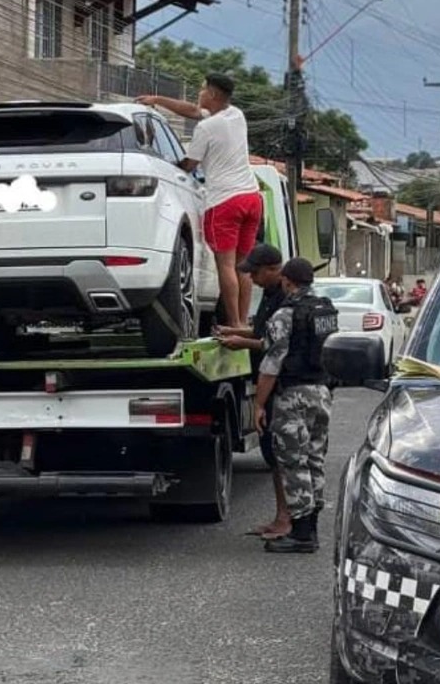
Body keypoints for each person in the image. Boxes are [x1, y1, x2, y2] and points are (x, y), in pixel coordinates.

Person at [136, 73, 262, 329]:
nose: (199, 94)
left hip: (224, 201)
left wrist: (164, 165)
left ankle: (234, 323)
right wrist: (157, 99)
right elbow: (193, 111)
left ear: (213, 95)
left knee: (225, 265)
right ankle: (243, 322)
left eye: (203, 90)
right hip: (251, 197)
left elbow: (189, 165)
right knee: (243, 265)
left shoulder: (206, 128)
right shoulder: (236, 115)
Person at [254, 257, 337, 554]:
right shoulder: (325, 309)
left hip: (293, 395)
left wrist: (259, 404)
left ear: (287, 281)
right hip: (322, 393)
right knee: (315, 459)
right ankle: (310, 529)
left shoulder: (285, 314)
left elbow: (272, 362)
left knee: (293, 461)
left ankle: (301, 534)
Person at [215, 244, 290, 539]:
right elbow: (263, 331)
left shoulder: (286, 299)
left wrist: (241, 343)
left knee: (284, 458)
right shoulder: (272, 296)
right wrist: (231, 331)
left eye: (256, 274)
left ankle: (289, 521)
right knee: (273, 456)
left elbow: (276, 346)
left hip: (283, 388)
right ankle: (281, 517)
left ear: (274, 269)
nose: (254, 280)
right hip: (272, 386)